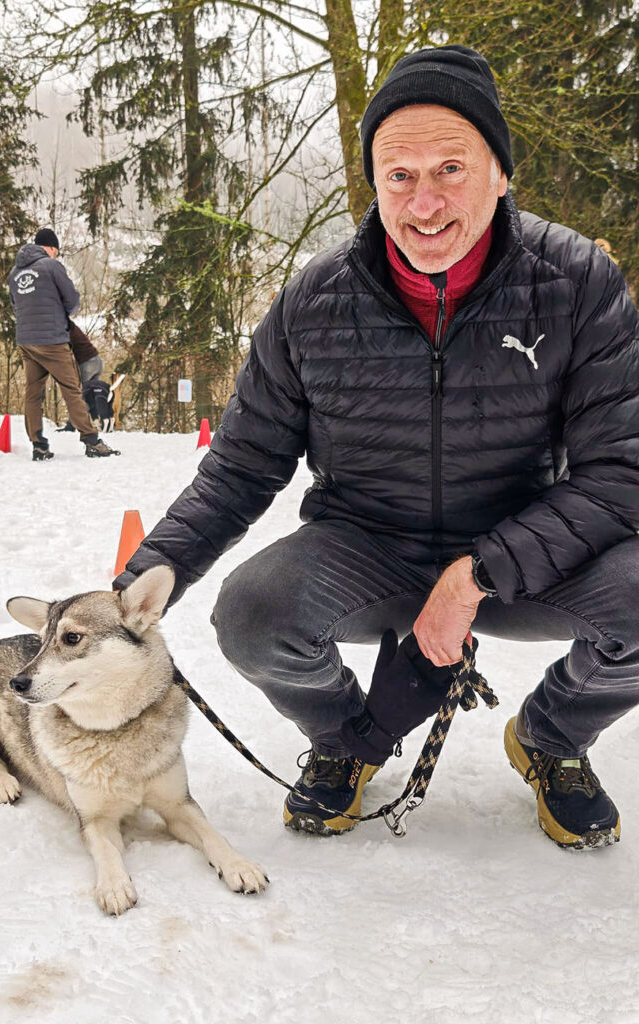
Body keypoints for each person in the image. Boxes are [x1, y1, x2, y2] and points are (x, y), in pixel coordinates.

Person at [113, 45, 639, 849]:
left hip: (525, 557)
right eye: (399, 175)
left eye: (451, 169)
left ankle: (553, 737)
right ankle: (343, 737)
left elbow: (618, 474)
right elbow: (243, 464)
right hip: (368, 546)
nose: (424, 202)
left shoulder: (576, 283)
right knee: (254, 614)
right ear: (374, 183)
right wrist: (143, 580)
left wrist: (479, 574)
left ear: (501, 173)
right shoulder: (313, 302)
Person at [7, 228, 119, 461]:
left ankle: (38, 444)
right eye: (55, 250)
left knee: (33, 392)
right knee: (72, 389)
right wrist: (62, 315)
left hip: (27, 342)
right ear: (50, 248)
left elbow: (15, 305)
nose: (56, 255)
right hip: (53, 340)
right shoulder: (51, 266)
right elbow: (72, 300)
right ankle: (91, 440)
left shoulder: (14, 274)